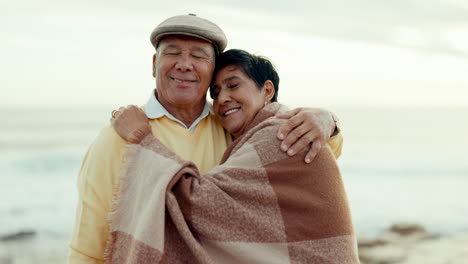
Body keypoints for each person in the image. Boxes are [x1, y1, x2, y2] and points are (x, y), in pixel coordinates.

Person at [68, 14, 343, 263]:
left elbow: (306, 157)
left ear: (212, 69)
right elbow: (88, 247)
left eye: (199, 56)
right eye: (172, 53)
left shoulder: (233, 126)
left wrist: (327, 122)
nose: (185, 65)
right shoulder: (119, 138)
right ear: (154, 64)